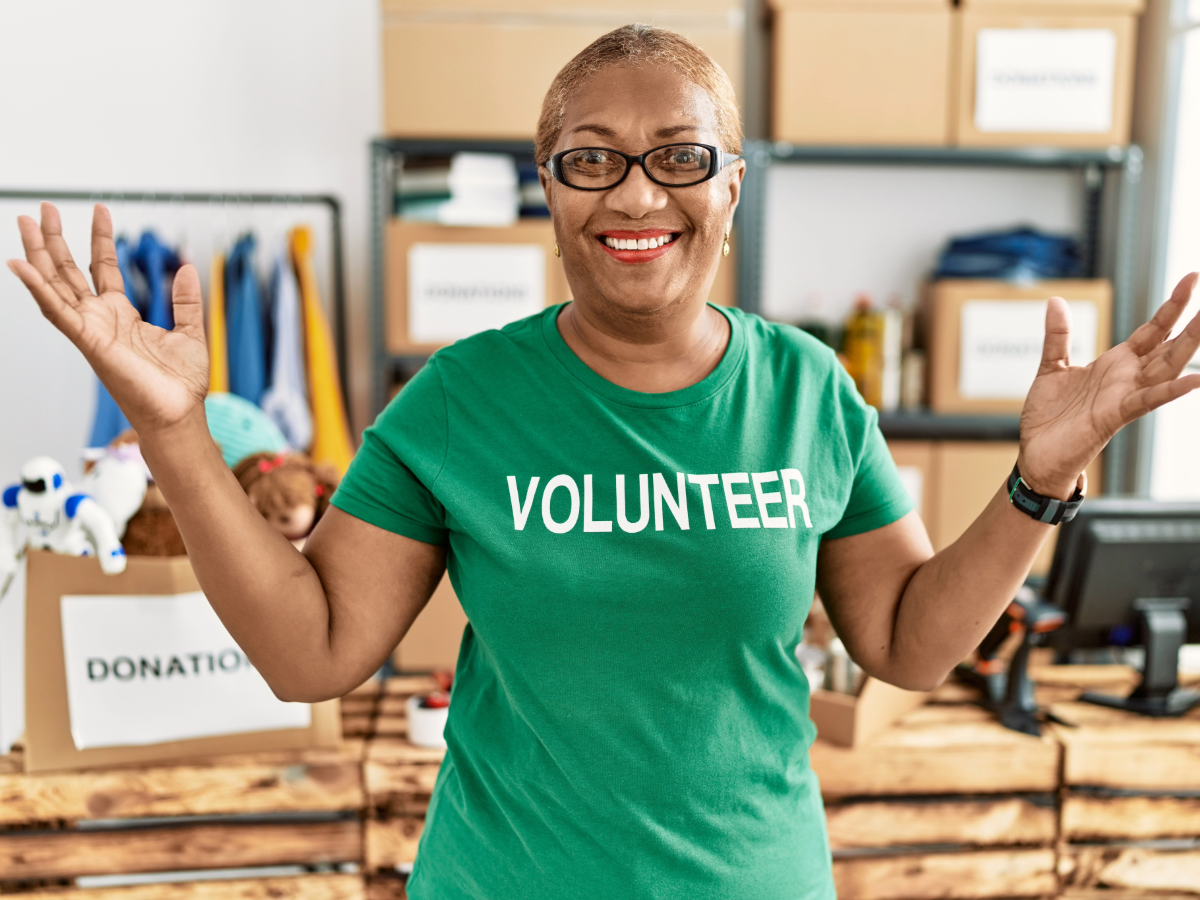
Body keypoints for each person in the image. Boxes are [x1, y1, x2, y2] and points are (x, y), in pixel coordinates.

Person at [8, 23, 1200, 900]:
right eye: (592, 158)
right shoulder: (462, 397)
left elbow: (908, 645)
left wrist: (1041, 477)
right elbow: (307, 652)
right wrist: (173, 431)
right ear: (551, 192)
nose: (637, 190)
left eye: (681, 156)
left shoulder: (807, 393)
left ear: (733, 186)